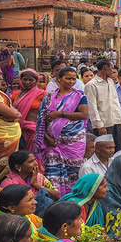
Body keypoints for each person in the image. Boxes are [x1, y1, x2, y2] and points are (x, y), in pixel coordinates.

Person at [32, 66, 88, 195]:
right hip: (52, 142)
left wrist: (60, 114)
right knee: (52, 172)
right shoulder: (48, 97)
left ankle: (72, 197)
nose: (71, 82)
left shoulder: (79, 96)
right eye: (68, 78)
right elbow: (41, 120)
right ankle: (56, 197)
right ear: (59, 79)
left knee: (73, 171)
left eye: (74, 79)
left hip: (73, 142)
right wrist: (47, 137)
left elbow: (83, 114)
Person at [3, 150, 59, 217]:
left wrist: (36, 184)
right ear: (18, 167)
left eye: (35, 160)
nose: (36, 163)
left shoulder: (39, 177)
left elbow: (57, 195)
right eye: (30, 161)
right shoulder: (9, 183)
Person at [85, 57, 121, 149]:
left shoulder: (111, 82)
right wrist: (99, 126)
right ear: (105, 68)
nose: (113, 71)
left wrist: (120, 118)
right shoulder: (91, 85)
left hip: (116, 121)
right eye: (111, 68)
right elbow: (92, 108)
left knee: (117, 149)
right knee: (105, 150)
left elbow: (115, 102)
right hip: (103, 124)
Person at [8, 69, 44, 151]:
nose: (27, 82)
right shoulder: (15, 95)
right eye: (25, 79)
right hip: (18, 129)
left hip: (35, 130)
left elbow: (47, 112)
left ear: (36, 81)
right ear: (21, 80)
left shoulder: (42, 94)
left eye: (31, 80)